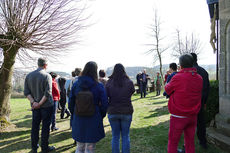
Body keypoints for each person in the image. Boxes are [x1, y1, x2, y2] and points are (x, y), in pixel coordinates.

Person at [165, 54, 203, 153]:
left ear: (180, 66)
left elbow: (167, 89)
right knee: (190, 142)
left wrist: (168, 80)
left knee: (173, 142)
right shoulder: (199, 78)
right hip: (193, 115)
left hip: (178, 116)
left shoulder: (178, 77)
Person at [68, 61, 108, 153]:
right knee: (90, 148)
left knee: (79, 147)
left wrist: (75, 113)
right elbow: (104, 104)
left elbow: (71, 102)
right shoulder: (99, 85)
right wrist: (100, 115)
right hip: (94, 118)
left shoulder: (76, 84)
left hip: (78, 118)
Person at [24, 58, 55, 153]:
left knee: (35, 127)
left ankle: (34, 148)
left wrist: (34, 103)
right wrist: (39, 104)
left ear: (38, 64)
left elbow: (26, 92)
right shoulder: (47, 76)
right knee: (45, 128)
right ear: (45, 65)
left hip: (35, 106)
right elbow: (48, 93)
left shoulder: (29, 75)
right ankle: (44, 148)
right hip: (46, 106)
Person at [106, 63, 135, 153]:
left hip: (113, 111)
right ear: (124, 70)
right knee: (125, 136)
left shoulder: (109, 82)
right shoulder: (129, 82)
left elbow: (106, 95)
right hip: (126, 111)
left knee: (115, 136)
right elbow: (132, 92)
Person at [191, 53, 210, 149]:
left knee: (189, 123)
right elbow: (207, 88)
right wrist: (205, 101)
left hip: (190, 102)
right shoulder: (203, 71)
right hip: (201, 100)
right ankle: (203, 142)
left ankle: (188, 144)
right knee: (201, 122)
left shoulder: (189, 72)